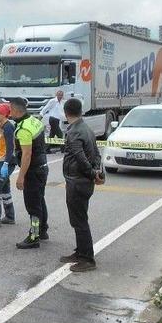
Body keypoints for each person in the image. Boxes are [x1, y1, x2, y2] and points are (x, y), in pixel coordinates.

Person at [61, 98, 103, 272]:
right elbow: (96, 154)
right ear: (81, 111)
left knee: (79, 220)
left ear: (65, 112)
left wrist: (93, 173)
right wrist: (97, 172)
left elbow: (81, 158)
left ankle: (87, 259)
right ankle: (80, 252)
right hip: (82, 181)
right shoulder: (86, 128)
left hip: (77, 181)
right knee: (79, 218)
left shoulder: (74, 132)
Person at [10, 97, 50, 249]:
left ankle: (34, 236)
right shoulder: (33, 120)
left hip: (33, 171)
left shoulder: (23, 129)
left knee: (33, 205)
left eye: (10, 109)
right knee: (39, 200)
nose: (9, 112)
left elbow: (27, 154)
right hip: (42, 167)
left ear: (16, 110)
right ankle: (42, 230)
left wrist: (21, 177)